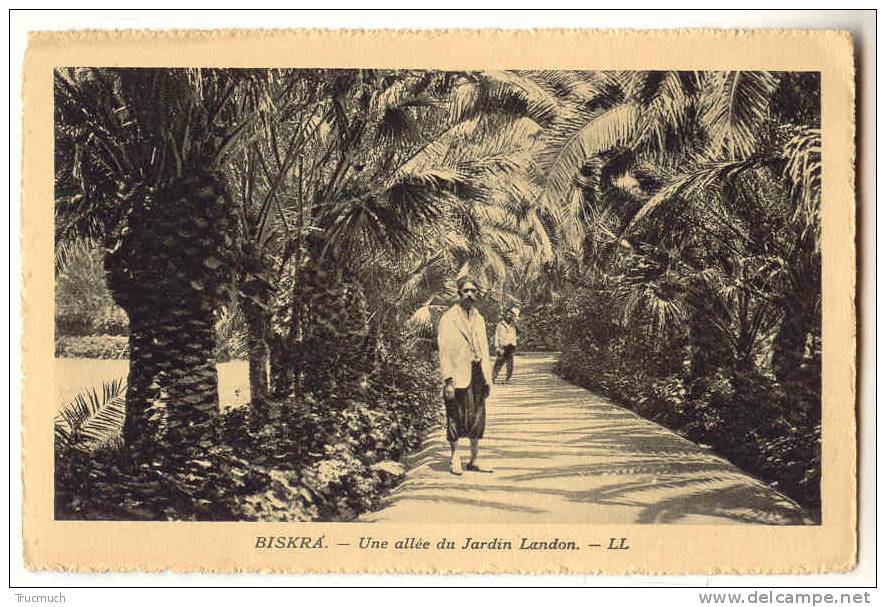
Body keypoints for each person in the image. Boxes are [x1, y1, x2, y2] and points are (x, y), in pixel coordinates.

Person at [436, 276, 493, 475]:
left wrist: (487, 377)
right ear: (458, 293)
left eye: (473, 291)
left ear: (477, 294)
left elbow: (485, 349)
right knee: (455, 415)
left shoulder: (479, 318)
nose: (470, 294)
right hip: (458, 374)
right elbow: (444, 351)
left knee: (477, 416)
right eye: (466, 290)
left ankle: (474, 460)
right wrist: (448, 380)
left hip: (477, 373)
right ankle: (455, 459)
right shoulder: (448, 318)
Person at [493, 307, 519, 384]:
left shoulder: (514, 324)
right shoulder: (500, 324)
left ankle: (508, 378)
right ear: (504, 315)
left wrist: (516, 321)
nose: (508, 316)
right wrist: (497, 347)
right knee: (499, 362)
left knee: (510, 363)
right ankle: (493, 377)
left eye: (510, 314)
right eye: (507, 314)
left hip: (511, 346)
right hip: (503, 346)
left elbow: (520, 332)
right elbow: (496, 336)